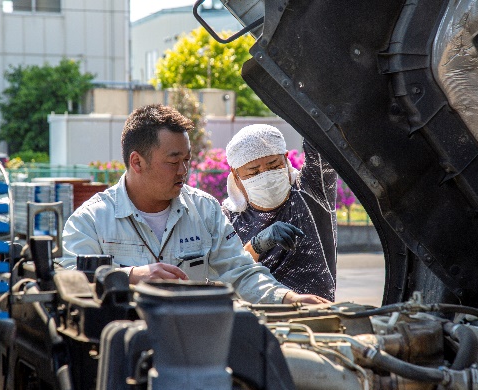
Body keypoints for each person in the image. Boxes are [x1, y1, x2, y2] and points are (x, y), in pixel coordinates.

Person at [60, 104, 328, 304]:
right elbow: (70, 281)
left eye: (187, 160)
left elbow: (241, 273)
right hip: (126, 357)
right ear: (136, 162)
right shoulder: (91, 221)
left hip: (197, 347)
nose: (184, 170)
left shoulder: (205, 211)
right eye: (173, 161)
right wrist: (129, 275)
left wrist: (289, 299)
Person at [223, 124, 338, 301]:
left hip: (317, 314)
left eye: (273, 165)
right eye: (253, 171)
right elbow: (228, 272)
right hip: (256, 318)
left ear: (285, 159)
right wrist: (257, 245)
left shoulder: (312, 190)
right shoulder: (228, 218)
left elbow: (321, 132)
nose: (265, 175)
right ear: (236, 174)